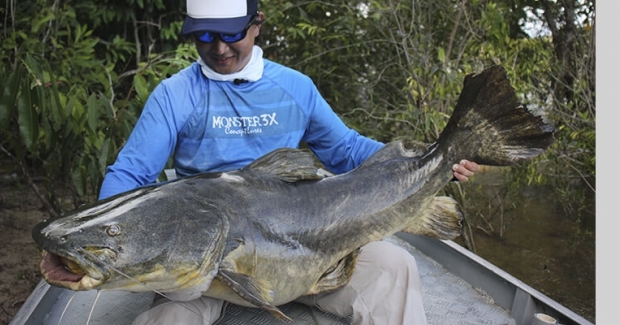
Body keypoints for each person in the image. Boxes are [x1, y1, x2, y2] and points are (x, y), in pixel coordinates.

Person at [98, 0, 480, 324]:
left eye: (231, 34)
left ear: (256, 24)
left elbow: (346, 149)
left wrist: (434, 161)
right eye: (204, 36)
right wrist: (101, 232)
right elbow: (133, 172)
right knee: (166, 319)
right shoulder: (174, 95)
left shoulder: (294, 87)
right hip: (211, 257)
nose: (219, 48)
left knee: (395, 267)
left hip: (309, 243)